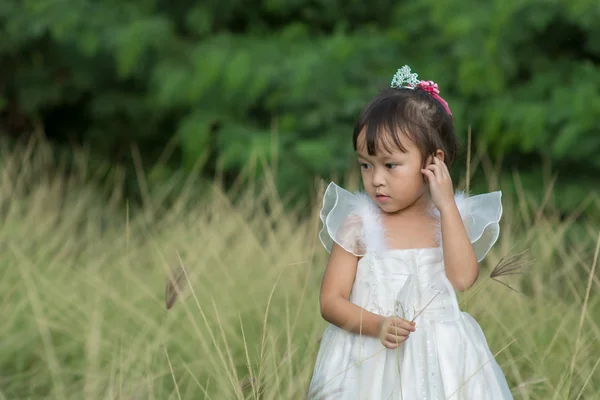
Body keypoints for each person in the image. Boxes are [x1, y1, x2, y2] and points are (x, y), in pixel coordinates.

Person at [307, 65, 513, 399]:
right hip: (369, 360)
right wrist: (377, 325)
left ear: (433, 163)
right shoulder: (360, 225)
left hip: (443, 360)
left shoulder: (446, 221)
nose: (376, 179)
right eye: (365, 165)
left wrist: (446, 207)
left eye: (390, 165)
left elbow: (462, 279)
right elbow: (330, 301)